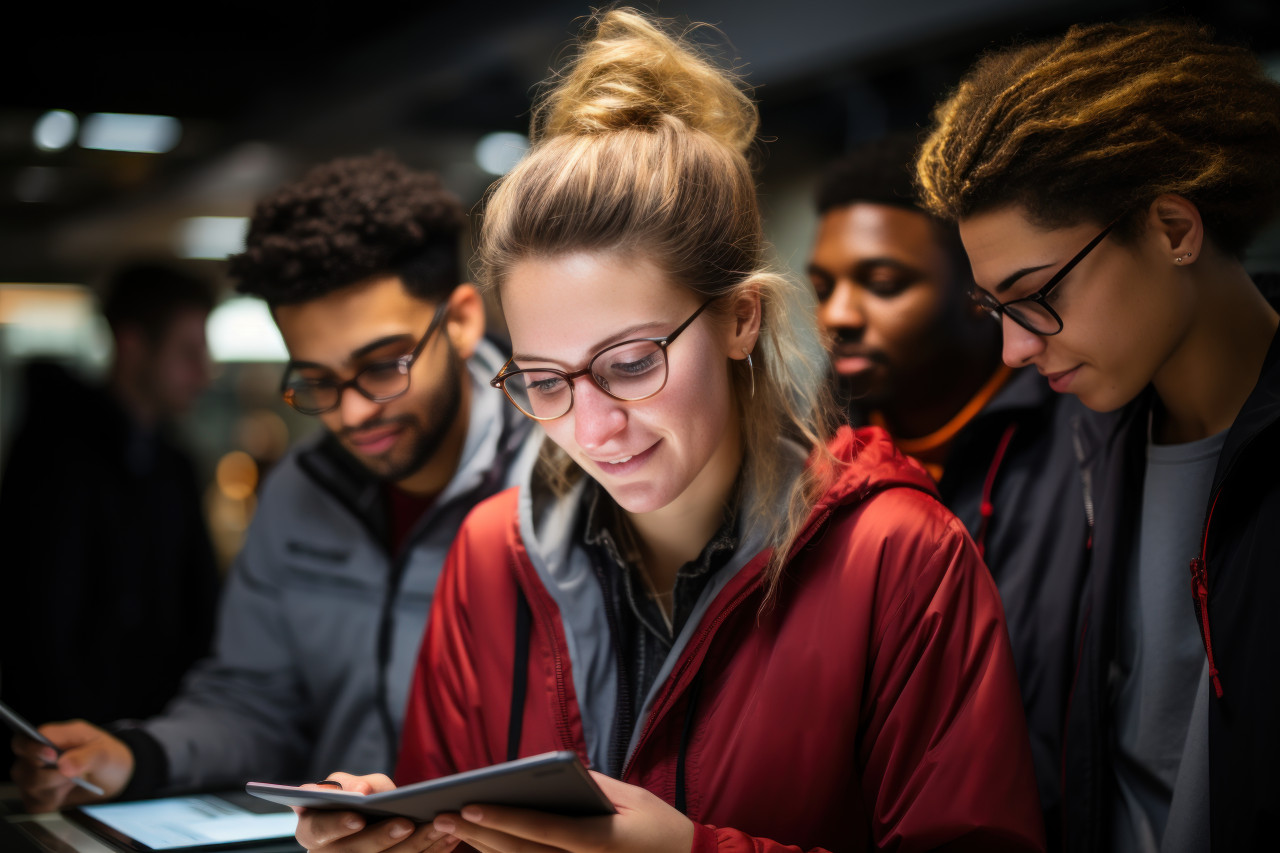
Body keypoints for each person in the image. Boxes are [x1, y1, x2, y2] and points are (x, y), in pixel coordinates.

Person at [296, 10, 1045, 853]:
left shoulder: (899, 556)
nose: (593, 427)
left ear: (741, 318)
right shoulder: (488, 555)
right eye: (545, 380)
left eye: (629, 363)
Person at [9, 152, 536, 812]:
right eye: (317, 380)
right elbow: (255, 703)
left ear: (459, 322)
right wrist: (136, 756)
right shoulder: (299, 491)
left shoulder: (558, 480)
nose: (351, 414)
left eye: (382, 367)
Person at [915, 19, 1280, 852]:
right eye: (996, 309)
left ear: (1174, 229)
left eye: (1039, 294)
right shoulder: (1064, 451)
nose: (1014, 348)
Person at [808, 133, 1091, 843]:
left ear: (978, 293)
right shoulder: (806, 463)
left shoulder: (1085, 432)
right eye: (822, 288)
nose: (837, 315)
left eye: (882, 283)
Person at [0, 262, 219, 771]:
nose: (204, 373)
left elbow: (199, 611)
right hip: (61, 753)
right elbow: (38, 622)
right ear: (133, 345)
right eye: (188, 353)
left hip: (154, 750)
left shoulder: (173, 464)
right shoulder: (56, 456)